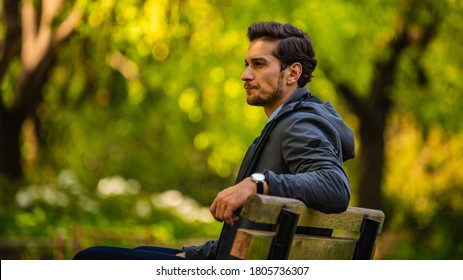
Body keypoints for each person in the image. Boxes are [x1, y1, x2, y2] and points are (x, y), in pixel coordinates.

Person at [73, 21, 355, 260]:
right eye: (247, 64)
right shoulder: (290, 122)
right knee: (139, 252)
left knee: (92, 258)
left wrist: (257, 181)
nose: (245, 75)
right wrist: (196, 255)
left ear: (292, 73)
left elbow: (334, 186)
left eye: (258, 64)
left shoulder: (299, 122)